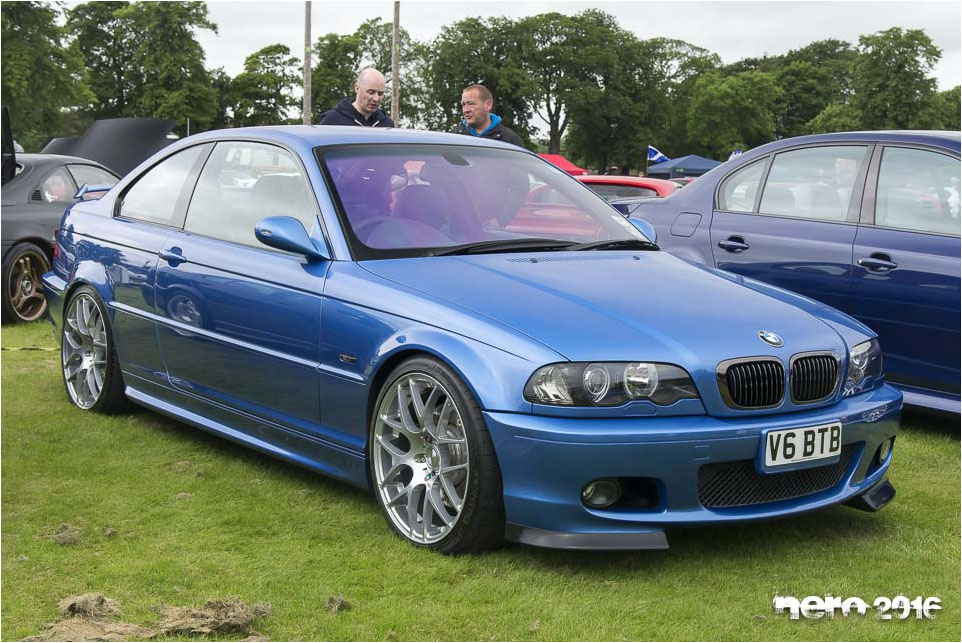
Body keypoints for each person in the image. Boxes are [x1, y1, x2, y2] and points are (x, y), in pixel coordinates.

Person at [452, 84, 524, 148]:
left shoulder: (510, 139)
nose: (466, 110)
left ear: (488, 105)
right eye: (463, 105)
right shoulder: (454, 137)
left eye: (471, 104)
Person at [320, 68, 395, 127]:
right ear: (357, 88)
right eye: (371, 92)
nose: (376, 98)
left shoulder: (386, 124)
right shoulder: (332, 120)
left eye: (380, 94)